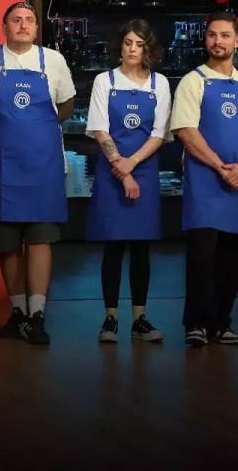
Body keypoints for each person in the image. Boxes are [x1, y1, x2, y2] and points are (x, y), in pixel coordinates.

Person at [0, 1, 75, 345]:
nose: (23, 25)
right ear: (4, 27)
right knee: (7, 244)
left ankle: (37, 314)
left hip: (43, 167)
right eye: (16, 20)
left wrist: (34, 131)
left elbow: (66, 106)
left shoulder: (53, 61)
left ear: (37, 28)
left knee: (41, 239)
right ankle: (18, 312)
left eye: (29, 20)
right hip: (0, 168)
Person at [170, 12, 238, 347]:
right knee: (202, 256)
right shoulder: (193, 81)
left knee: (236, 257)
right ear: (206, 40)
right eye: (212, 35)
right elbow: (186, 131)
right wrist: (220, 166)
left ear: (237, 41)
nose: (218, 41)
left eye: (225, 35)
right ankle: (196, 323)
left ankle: (222, 322)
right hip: (204, 181)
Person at [85, 20, 171, 344]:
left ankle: (139, 319)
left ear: (148, 49)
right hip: (111, 172)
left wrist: (131, 165)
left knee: (141, 247)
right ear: (119, 46)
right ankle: (110, 318)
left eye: (139, 44)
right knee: (112, 246)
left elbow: (159, 134)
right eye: (128, 43)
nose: (133, 49)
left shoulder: (159, 83)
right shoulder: (104, 81)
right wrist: (121, 168)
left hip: (144, 171)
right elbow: (100, 129)